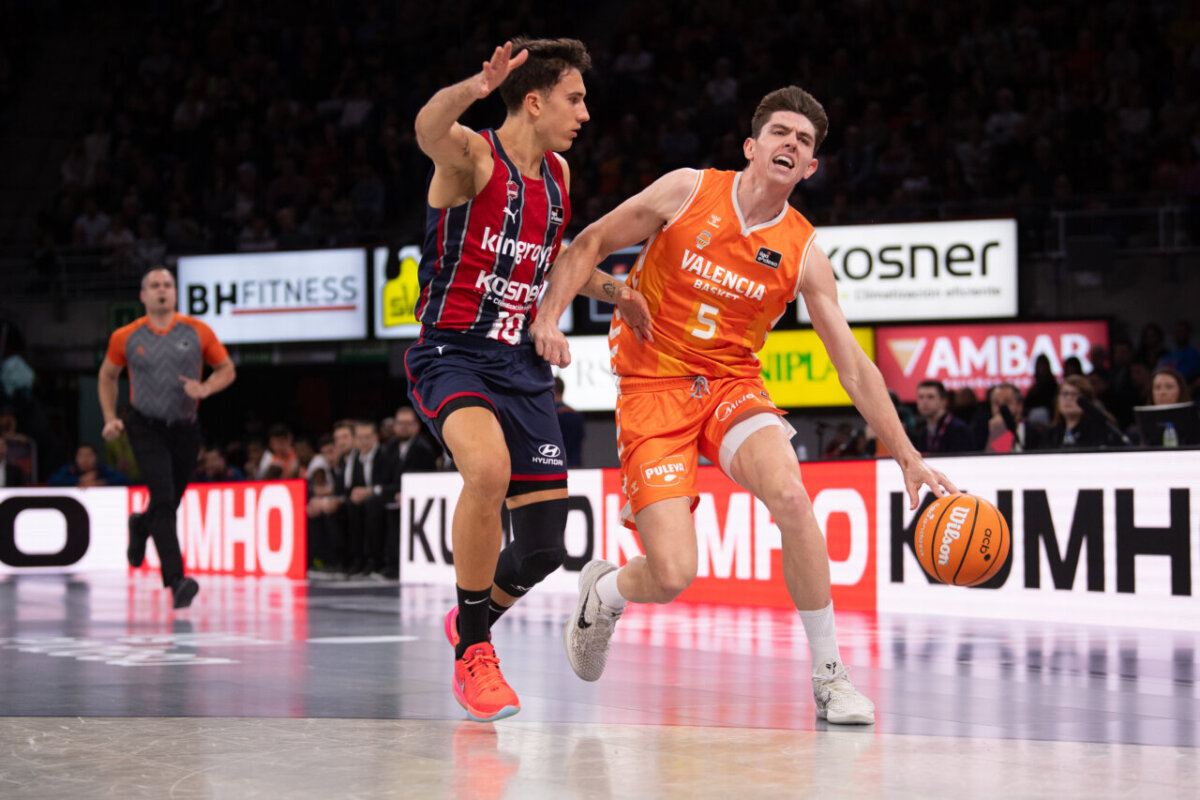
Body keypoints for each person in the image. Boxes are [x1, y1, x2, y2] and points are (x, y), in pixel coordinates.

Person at [530, 85, 956, 725]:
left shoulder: (804, 251)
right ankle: (606, 592)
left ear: (810, 168)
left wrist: (906, 455)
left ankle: (830, 676)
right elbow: (586, 242)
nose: (792, 144)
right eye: (781, 133)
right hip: (653, 385)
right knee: (672, 574)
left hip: (732, 384)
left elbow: (851, 364)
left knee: (792, 496)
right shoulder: (687, 190)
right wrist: (554, 317)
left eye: (804, 142)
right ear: (752, 146)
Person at [405, 38, 651, 722]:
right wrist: (475, 88)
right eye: (575, 99)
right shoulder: (473, 157)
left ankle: (469, 620)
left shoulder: (559, 176)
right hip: (453, 353)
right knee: (487, 472)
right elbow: (426, 127)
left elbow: (552, 261)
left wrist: (617, 290)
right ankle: (474, 652)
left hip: (521, 367)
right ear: (535, 102)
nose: (585, 113)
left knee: (544, 549)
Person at [98, 267, 236, 609]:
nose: (162, 290)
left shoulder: (198, 331)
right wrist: (110, 417)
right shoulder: (125, 336)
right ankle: (177, 580)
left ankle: (140, 525)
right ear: (143, 295)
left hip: (186, 428)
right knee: (162, 496)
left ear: (175, 293)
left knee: (169, 501)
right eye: (155, 285)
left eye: (168, 285)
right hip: (145, 426)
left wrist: (205, 388)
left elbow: (227, 369)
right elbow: (107, 376)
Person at [340, 420, 399, 577]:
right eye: (360, 438)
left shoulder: (386, 455)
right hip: (365, 500)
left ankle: (375, 560)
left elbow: (393, 483)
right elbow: (352, 484)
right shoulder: (356, 459)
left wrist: (371, 491)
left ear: (375, 437)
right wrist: (356, 493)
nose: (364, 441)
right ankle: (357, 559)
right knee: (350, 505)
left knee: (372, 505)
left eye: (367, 437)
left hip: (384, 498)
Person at [1045, 374, 1121, 449]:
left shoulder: (1098, 431)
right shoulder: (1052, 433)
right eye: (1064, 394)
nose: (1068, 398)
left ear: (1086, 400)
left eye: (1074, 394)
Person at [910, 380, 976, 454]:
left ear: (943, 401)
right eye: (921, 397)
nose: (924, 401)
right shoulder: (922, 432)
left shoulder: (959, 430)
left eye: (930, 397)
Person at [982, 383, 1047, 453]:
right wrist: (997, 432)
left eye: (1007, 402)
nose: (1001, 409)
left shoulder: (1037, 433)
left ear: (1020, 406)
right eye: (996, 403)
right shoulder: (981, 432)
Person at [553, 375, 585, 467]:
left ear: (553, 390)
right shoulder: (576, 414)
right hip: (575, 463)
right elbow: (581, 442)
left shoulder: (550, 416)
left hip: (555, 464)